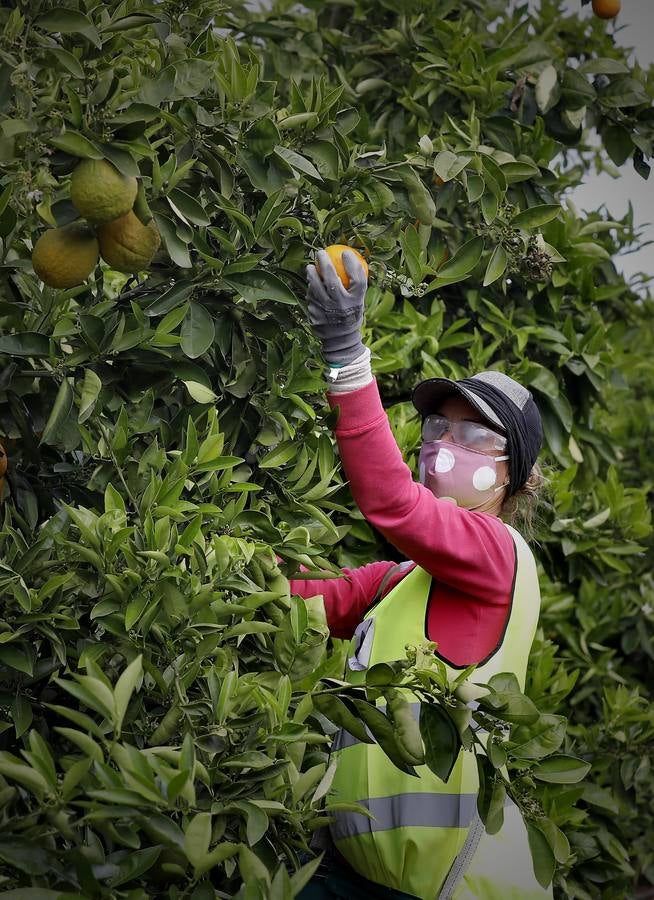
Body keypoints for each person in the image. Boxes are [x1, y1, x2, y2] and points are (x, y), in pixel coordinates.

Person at [288, 248, 552, 900]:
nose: (442, 445)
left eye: (472, 436)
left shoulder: (501, 557)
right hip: (347, 871)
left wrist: (345, 352)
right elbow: (287, 602)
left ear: (511, 474)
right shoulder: (396, 582)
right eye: (438, 426)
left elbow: (394, 503)